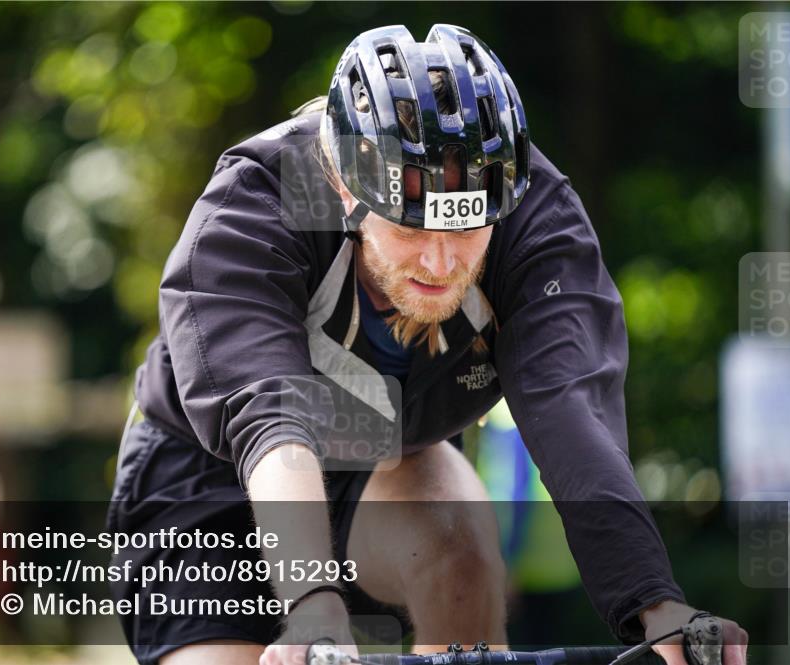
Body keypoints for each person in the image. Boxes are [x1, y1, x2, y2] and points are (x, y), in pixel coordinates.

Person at [107, 24, 748, 665]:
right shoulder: (261, 200)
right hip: (213, 477)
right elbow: (270, 417)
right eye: (411, 227)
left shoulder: (534, 218)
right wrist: (313, 607)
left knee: (460, 543)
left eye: (469, 227)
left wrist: (658, 606)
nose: (441, 261)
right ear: (345, 190)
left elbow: (569, 410)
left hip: (386, 454)